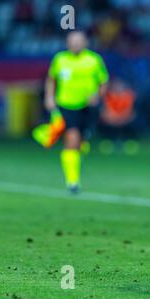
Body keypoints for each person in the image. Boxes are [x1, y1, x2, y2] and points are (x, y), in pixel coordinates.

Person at [44, 31, 109, 193]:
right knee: (72, 139)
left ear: (86, 42)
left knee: (81, 141)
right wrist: (49, 98)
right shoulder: (60, 59)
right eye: (73, 41)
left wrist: (98, 96)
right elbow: (51, 79)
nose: (76, 44)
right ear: (67, 43)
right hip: (67, 105)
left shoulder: (94, 60)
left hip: (88, 107)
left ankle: (81, 143)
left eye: (79, 41)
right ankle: (72, 182)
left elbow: (104, 82)